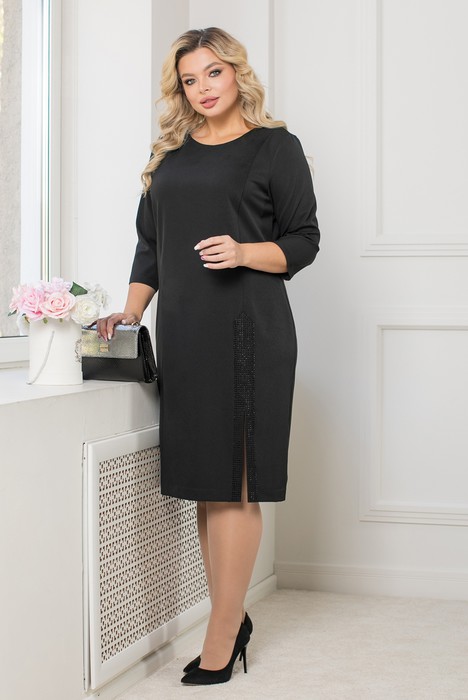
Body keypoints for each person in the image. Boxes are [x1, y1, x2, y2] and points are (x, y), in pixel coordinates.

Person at [97, 27, 320, 686]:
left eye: (213, 73)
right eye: (189, 80)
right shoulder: (169, 153)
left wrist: (245, 251)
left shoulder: (275, 147)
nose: (203, 89)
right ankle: (231, 617)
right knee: (207, 485)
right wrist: (132, 311)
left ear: (236, 73)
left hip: (249, 330)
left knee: (236, 486)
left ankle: (222, 630)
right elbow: (150, 245)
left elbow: (304, 239)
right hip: (186, 335)